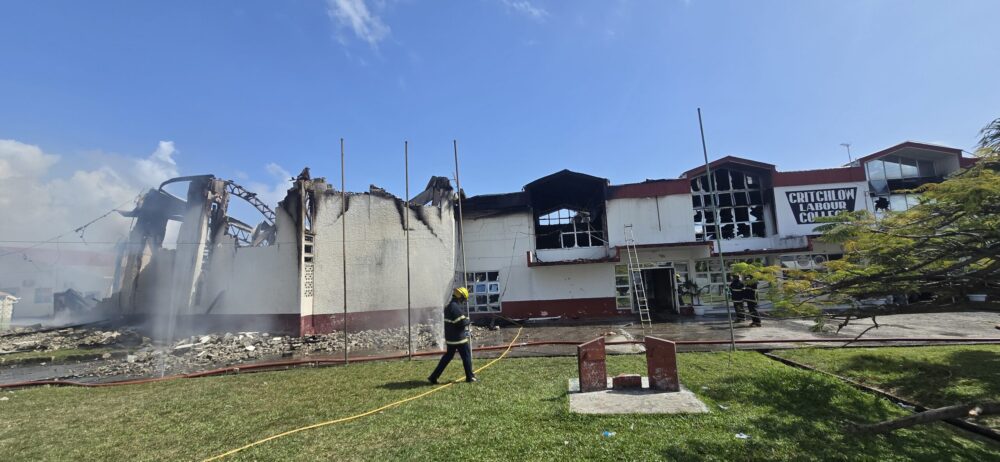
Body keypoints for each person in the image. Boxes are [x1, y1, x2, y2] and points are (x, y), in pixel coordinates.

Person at [428, 287, 477, 384]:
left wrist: (464, 320)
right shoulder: (455, 307)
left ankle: (433, 377)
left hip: (450, 338)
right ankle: (470, 377)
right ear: (461, 297)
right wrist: (468, 320)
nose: (464, 301)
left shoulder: (449, 306)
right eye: (464, 299)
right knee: (466, 356)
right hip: (459, 338)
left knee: (447, 357)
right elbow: (461, 323)